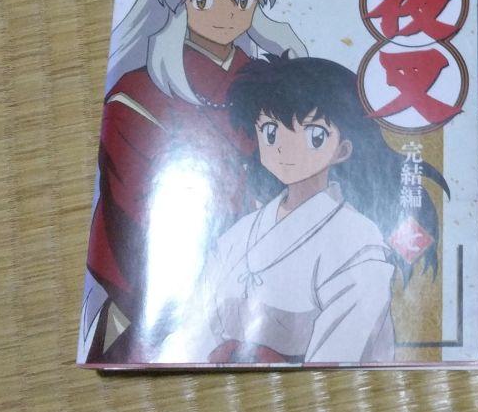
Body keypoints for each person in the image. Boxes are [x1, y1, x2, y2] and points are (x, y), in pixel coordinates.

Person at [81, 0, 307, 363]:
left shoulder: (268, 82)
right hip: (171, 283)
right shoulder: (137, 94)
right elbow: (137, 206)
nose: (227, 13)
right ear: (181, 0)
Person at [157, 54, 444, 365]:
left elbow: (340, 356)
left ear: (343, 149)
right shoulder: (239, 234)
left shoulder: (359, 240)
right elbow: (193, 328)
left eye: (313, 135)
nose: (285, 147)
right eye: (271, 131)